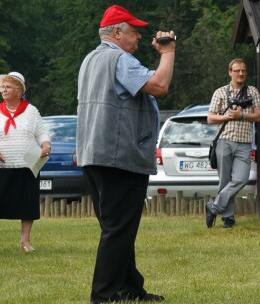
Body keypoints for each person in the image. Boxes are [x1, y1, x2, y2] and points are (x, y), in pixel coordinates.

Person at [76, 5, 175, 303]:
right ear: (116, 33)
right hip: (120, 157)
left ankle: (128, 288)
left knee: (118, 227)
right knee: (119, 229)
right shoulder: (120, 59)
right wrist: (168, 53)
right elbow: (158, 86)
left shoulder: (91, 59)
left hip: (94, 155)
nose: (139, 38)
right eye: (134, 32)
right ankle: (103, 295)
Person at [0, 71, 51, 253]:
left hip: (28, 165)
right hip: (3, 165)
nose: (3, 90)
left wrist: (45, 145)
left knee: (28, 203)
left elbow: (42, 133)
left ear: (19, 90)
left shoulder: (31, 111)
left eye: (8, 87)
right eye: (2, 87)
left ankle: (25, 241)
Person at [205, 58, 260, 228]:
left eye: (243, 70)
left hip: (244, 143)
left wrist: (242, 115)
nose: (241, 73)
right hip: (224, 140)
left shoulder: (252, 92)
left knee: (241, 179)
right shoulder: (220, 92)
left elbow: (259, 116)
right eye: (237, 70)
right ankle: (228, 218)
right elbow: (210, 118)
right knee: (224, 180)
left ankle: (213, 207)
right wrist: (228, 116)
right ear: (230, 72)